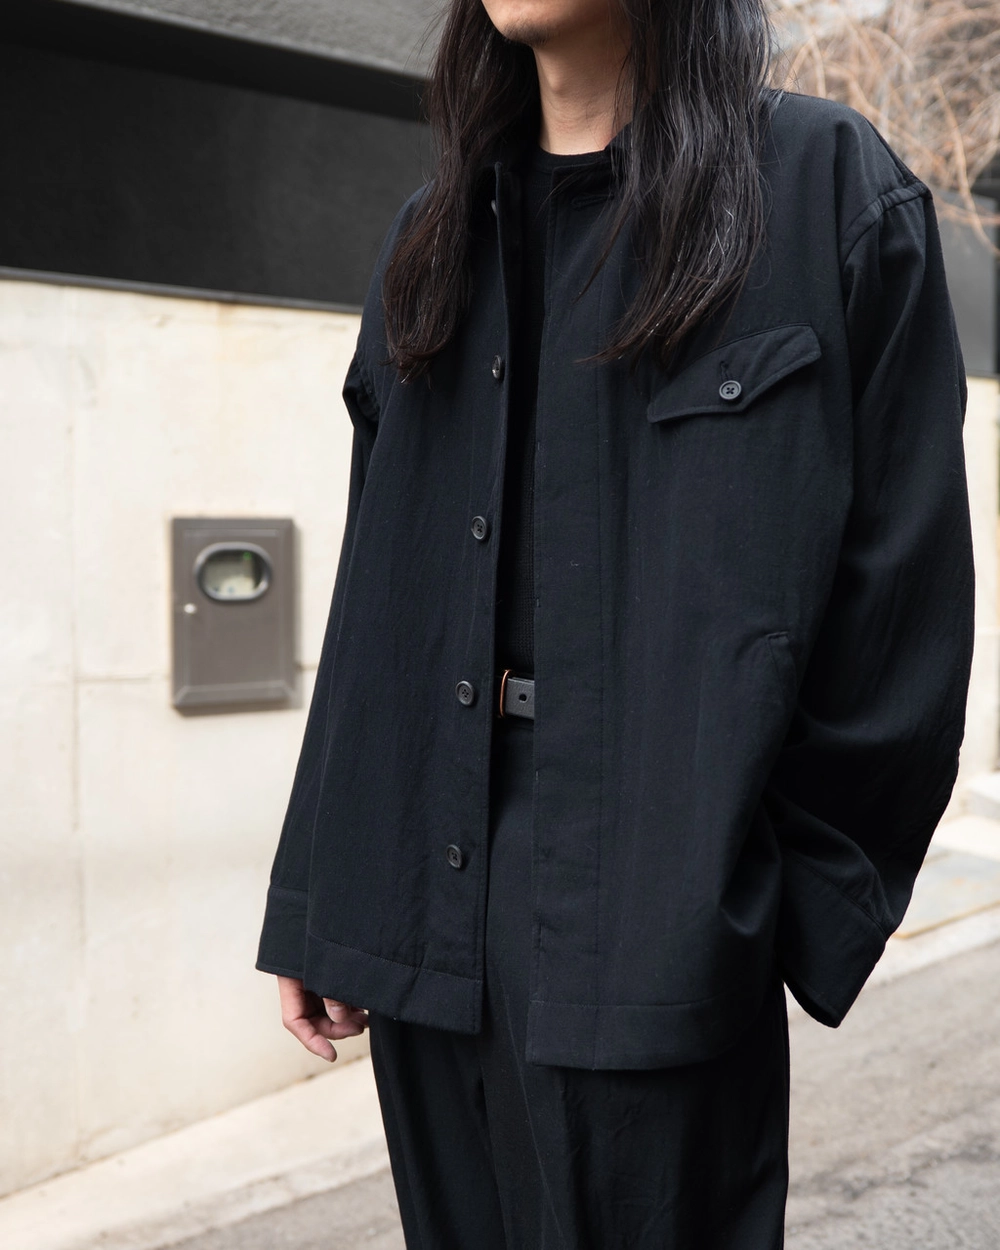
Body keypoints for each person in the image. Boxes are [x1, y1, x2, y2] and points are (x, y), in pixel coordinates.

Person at [256, 0, 976, 1244]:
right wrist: (324, 885)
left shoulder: (821, 188)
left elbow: (905, 593)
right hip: (428, 893)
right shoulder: (430, 236)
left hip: (659, 905)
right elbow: (380, 584)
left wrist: (770, 899)